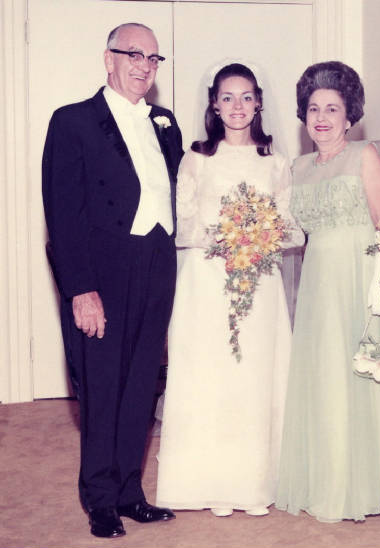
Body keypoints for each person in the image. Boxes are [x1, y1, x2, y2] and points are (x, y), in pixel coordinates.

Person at [42, 23, 183, 538]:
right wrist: (80, 289)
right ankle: (100, 498)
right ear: (109, 58)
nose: (143, 65)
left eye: (153, 58)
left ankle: (129, 491)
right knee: (101, 389)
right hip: (101, 275)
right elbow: (63, 215)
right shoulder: (73, 122)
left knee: (143, 385)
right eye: (133, 54)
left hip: (156, 266)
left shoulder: (165, 122)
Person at [156, 62, 304, 517]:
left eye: (245, 98)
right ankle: (210, 480)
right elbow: (181, 227)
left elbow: (294, 231)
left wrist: (259, 236)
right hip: (207, 280)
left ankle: (255, 481)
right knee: (211, 374)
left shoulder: (276, 163)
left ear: (258, 102)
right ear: (214, 106)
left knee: (254, 375)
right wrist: (225, 236)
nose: (237, 107)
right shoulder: (196, 158)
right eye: (227, 98)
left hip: (258, 283)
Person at [275, 61, 380, 523]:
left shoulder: (364, 155)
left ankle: (371, 485)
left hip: (361, 277)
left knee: (364, 378)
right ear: (304, 116)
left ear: (350, 116)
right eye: (313, 108)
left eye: (332, 108)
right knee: (325, 379)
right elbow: (290, 232)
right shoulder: (298, 168)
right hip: (318, 285)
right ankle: (329, 481)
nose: (321, 117)